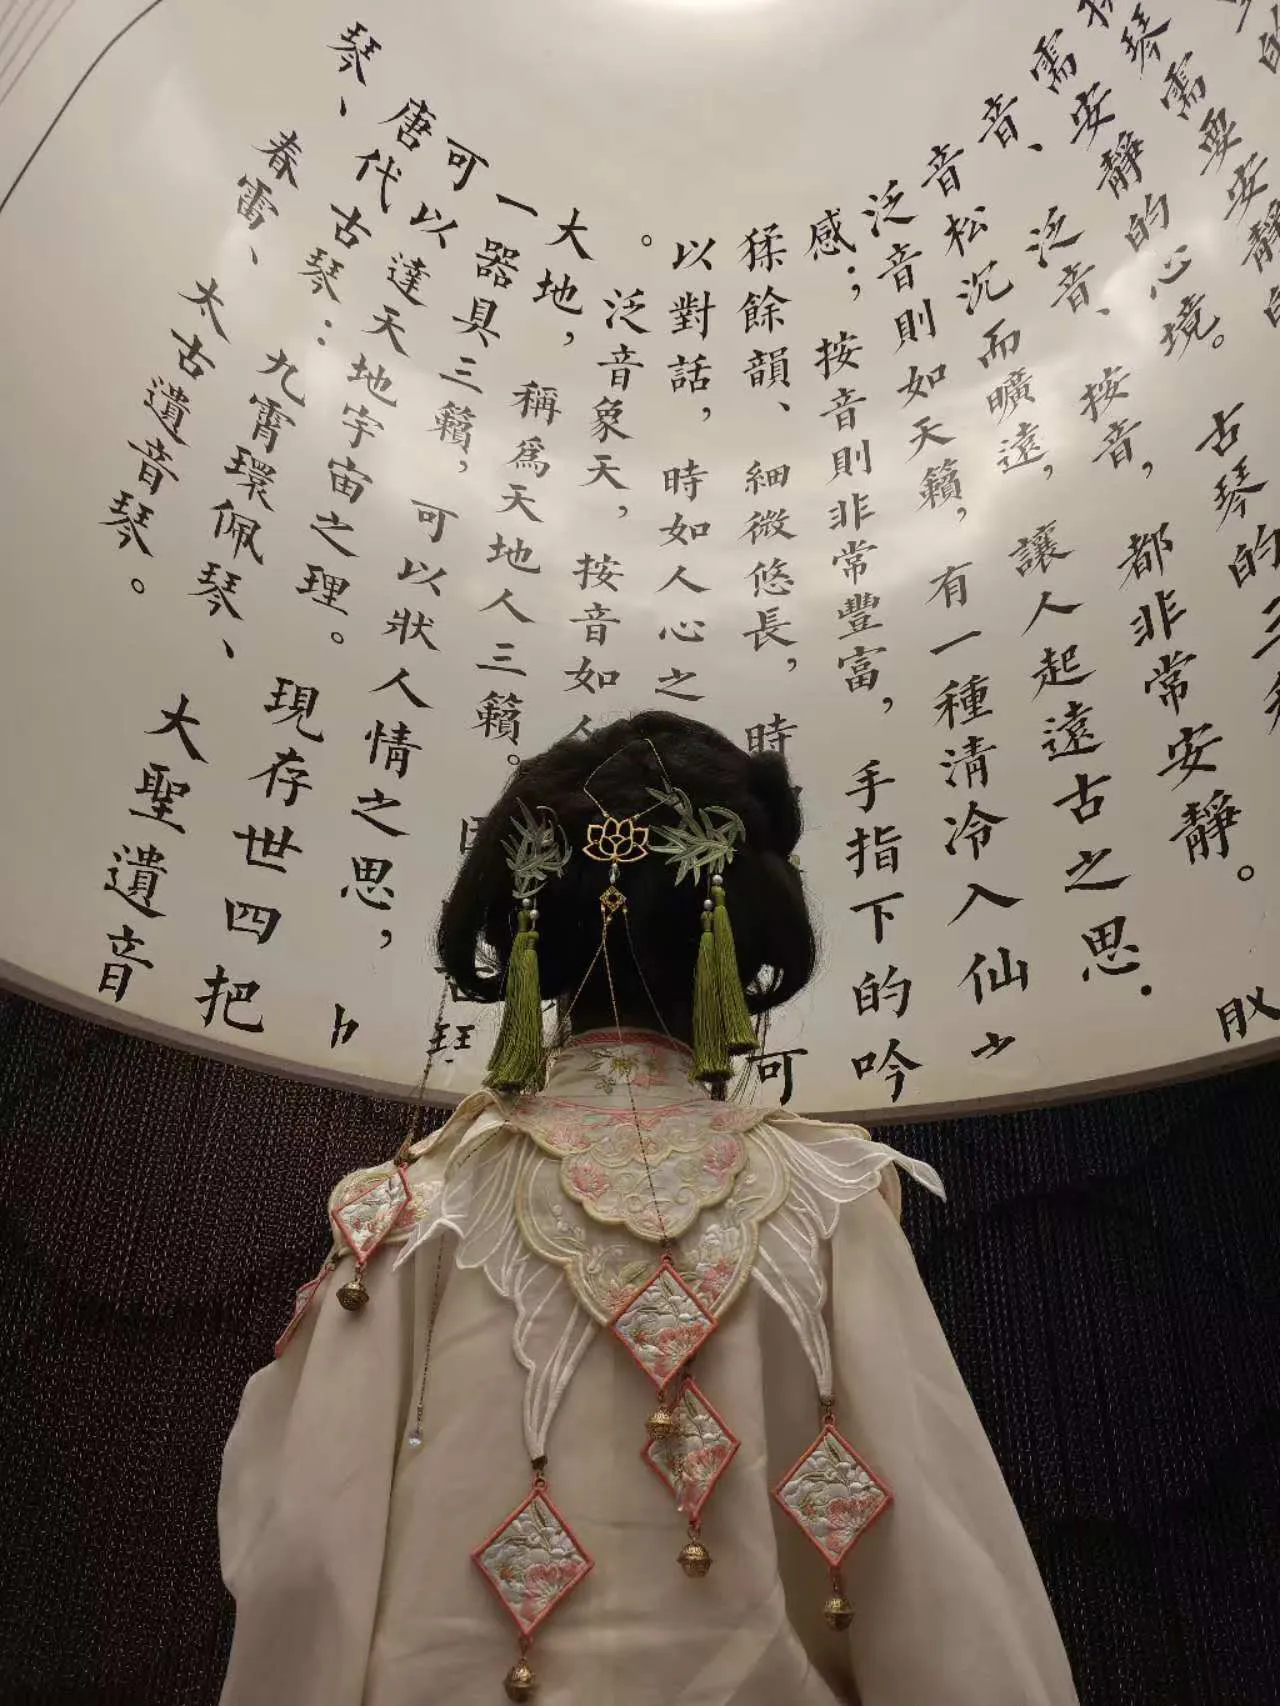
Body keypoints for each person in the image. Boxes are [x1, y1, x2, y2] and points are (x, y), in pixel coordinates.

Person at [216, 710, 1080, 1705]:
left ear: (531, 933)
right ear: (735, 948)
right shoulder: (828, 1199)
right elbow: (941, 1588)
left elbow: (304, 1559)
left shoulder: (408, 1210)